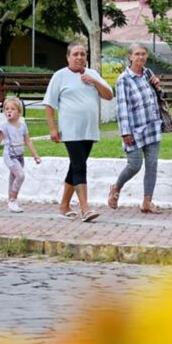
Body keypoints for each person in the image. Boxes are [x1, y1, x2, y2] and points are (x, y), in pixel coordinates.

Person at [43, 41, 113, 222]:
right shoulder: (60, 76)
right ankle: (85, 209)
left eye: (82, 54)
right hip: (70, 130)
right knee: (80, 166)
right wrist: (52, 128)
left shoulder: (93, 74)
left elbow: (109, 95)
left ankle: (64, 205)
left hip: (89, 130)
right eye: (75, 54)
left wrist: (94, 81)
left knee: (75, 167)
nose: (79, 57)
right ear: (68, 57)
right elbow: (49, 104)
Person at [107, 44, 163, 214]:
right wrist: (125, 132)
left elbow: (158, 99)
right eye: (137, 54)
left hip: (152, 126)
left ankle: (147, 202)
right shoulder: (124, 79)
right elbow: (122, 107)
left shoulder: (148, 74)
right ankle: (116, 187)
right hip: (134, 129)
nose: (141, 57)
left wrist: (158, 86)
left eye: (143, 54)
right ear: (130, 57)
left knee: (152, 164)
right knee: (135, 165)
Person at [0, 97, 41, 213]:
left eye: (12, 109)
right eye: (6, 109)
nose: (9, 111)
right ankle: (13, 200)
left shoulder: (23, 126)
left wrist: (35, 155)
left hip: (20, 156)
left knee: (13, 178)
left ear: (19, 112)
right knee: (20, 175)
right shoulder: (4, 126)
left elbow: (28, 141)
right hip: (9, 156)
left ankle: (11, 202)